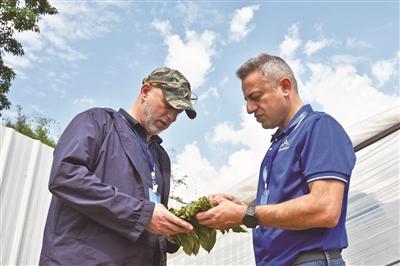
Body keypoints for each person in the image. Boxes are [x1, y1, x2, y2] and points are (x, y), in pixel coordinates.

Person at [196, 53, 356, 266]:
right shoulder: (278, 144)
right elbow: (280, 207)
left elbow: (325, 208)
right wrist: (242, 206)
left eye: (256, 96)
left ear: (285, 87)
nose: (249, 108)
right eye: (247, 100)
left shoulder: (318, 127)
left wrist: (246, 213)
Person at [39, 67, 197, 266]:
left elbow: (152, 220)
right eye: (169, 105)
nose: (173, 117)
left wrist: (171, 234)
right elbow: (65, 176)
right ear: (145, 91)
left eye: (179, 111)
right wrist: (141, 215)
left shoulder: (161, 158)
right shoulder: (97, 122)